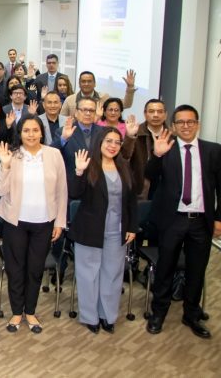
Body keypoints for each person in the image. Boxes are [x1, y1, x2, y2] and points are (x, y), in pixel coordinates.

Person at [145, 105, 221, 339]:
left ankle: (191, 314)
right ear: (174, 126)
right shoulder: (166, 148)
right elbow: (149, 175)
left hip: (201, 222)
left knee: (196, 270)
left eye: (190, 122)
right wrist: (157, 155)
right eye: (180, 122)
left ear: (197, 124)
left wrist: (219, 218)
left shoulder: (213, 150)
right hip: (172, 221)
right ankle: (158, 312)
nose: (186, 126)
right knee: (165, 268)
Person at [0, 115, 68, 333]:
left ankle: (31, 312)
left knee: (35, 269)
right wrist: (5, 165)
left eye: (35, 130)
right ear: (20, 133)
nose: (31, 134)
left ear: (42, 132)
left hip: (44, 222)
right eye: (26, 130)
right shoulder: (12, 155)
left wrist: (60, 222)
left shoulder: (54, 154)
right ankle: (17, 312)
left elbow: (62, 191)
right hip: (15, 222)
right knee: (16, 269)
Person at [68, 128, 138, 334]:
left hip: (117, 230)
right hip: (90, 229)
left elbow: (132, 200)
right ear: (100, 142)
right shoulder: (88, 164)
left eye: (117, 142)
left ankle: (107, 315)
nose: (113, 146)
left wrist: (132, 226)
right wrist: (79, 171)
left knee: (113, 274)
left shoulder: (124, 167)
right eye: (109, 141)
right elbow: (74, 193)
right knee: (88, 274)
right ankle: (90, 316)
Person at [130, 99, 169, 199]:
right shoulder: (135, 134)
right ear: (145, 114)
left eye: (160, 112)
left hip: (166, 191)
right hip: (140, 191)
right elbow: (124, 159)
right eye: (151, 111)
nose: (155, 115)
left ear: (165, 115)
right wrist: (129, 137)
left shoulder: (172, 137)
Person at [60, 70, 135, 117]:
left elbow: (126, 104)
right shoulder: (70, 100)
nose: (86, 84)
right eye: (83, 81)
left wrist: (130, 88)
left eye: (89, 81)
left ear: (95, 84)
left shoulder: (104, 97)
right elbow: (62, 120)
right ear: (79, 84)